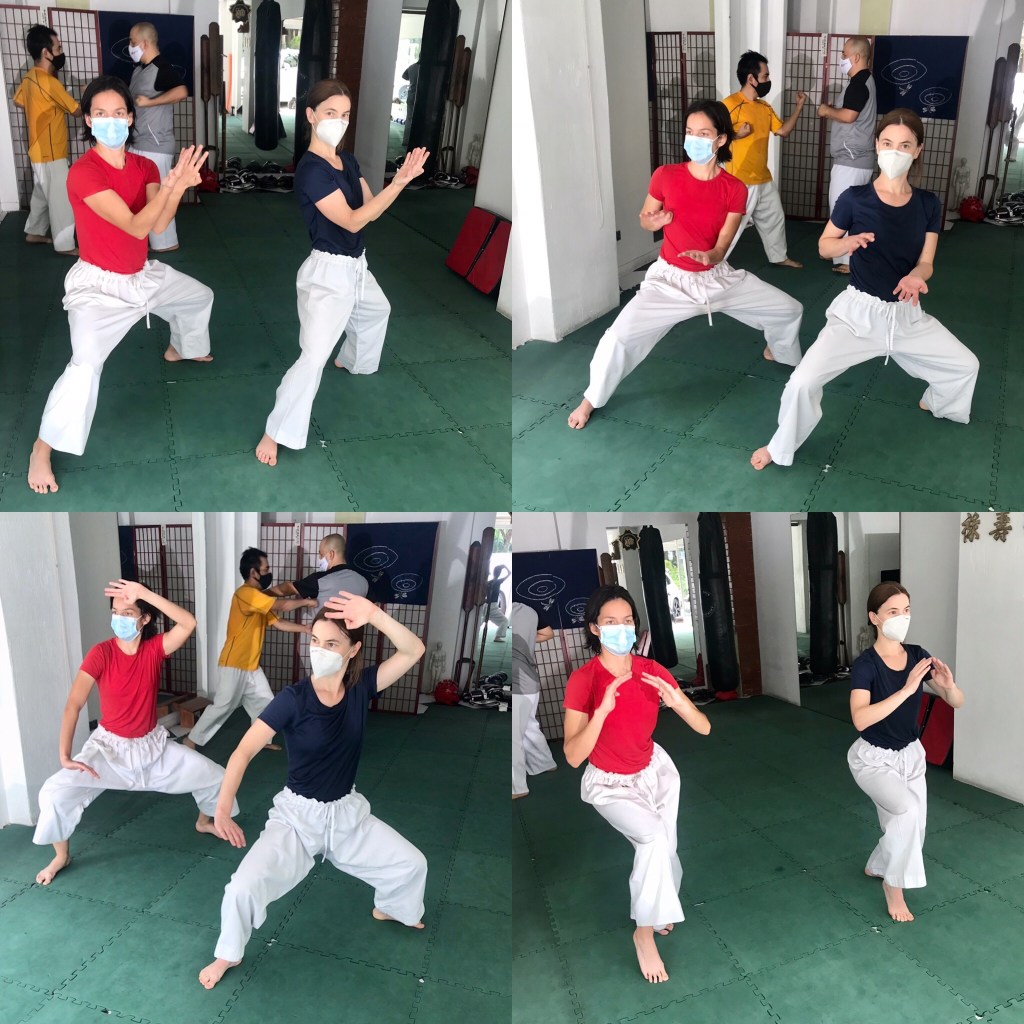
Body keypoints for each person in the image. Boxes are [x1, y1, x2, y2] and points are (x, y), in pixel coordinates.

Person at [198, 592, 428, 990]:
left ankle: (391, 907)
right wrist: (221, 809)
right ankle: (228, 953)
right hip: (297, 819)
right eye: (315, 641)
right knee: (242, 888)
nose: (319, 651)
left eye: (331, 643)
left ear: (353, 650)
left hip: (347, 814)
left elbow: (413, 650)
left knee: (412, 864)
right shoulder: (293, 699)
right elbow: (243, 752)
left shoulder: (361, 687)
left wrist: (374, 615)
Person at [751, 109, 980, 470]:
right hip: (857, 316)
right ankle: (780, 445)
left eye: (904, 145)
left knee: (966, 365)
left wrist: (916, 276)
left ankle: (937, 402)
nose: (895, 151)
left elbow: (927, 262)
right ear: (876, 145)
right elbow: (824, 246)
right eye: (887, 143)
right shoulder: (855, 198)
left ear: (918, 150)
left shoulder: (927, 203)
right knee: (802, 382)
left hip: (906, 315)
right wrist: (845, 244)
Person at [26, 75, 214, 496]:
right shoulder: (83, 173)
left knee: (199, 296)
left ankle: (182, 348)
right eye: (100, 113)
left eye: (118, 113)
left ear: (130, 118)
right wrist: (172, 186)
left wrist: (174, 188)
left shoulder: (145, 167)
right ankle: (43, 447)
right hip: (98, 287)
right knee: (84, 366)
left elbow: (159, 225)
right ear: (88, 120)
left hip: (141, 275)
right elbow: (134, 226)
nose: (110, 121)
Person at [567, 99, 803, 430]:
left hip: (716, 277)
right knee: (619, 337)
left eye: (703, 133)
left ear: (721, 139)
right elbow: (646, 218)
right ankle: (591, 399)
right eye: (690, 131)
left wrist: (712, 256)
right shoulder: (666, 175)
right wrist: (652, 221)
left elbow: (723, 243)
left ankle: (778, 350)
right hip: (670, 282)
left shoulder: (734, 188)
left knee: (789, 310)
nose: (693, 139)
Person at [255, 79, 430, 466]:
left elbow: (371, 207)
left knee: (377, 310)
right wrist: (400, 181)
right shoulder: (311, 171)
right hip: (327, 273)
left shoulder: (347, 161)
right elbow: (352, 220)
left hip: (356, 265)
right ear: (311, 115)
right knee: (313, 356)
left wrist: (396, 184)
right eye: (330, 113)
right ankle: (275, 431)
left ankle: (351, 359)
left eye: (345, 114)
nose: (339, 121)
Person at [33, 579, 240, 886]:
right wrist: (65, 756)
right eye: (116, 612)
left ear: (145, 619)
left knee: (216, 776)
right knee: (54, 793)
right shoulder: (101, 653)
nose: (119, 618)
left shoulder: (154, 650)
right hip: (108, 751)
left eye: (128, 613)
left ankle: (204, 822)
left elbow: (188, 623)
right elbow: (73, 705)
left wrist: (143, 594)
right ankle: (61, 856)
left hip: (151, 748)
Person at [562, 585, 711, 984]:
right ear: (595, 628)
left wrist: (679, 703)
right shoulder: (583, 680)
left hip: (653, 772)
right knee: (654, 841)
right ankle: (643, 934)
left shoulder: (652, 671)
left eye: (627, 621)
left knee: (667, 849)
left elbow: (704, 728)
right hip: (610, 783)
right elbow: (573, 756)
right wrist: (601, 712)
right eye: (610, 622)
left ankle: (659, 912)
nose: (621, 629)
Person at [848, 582, 964, 923]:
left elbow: (957, 702)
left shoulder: (916, 655)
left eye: (907, 610)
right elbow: (860, 719)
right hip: (873, 760)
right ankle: (893, 885)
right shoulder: (865, 665)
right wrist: (908, 688)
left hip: (911, 755)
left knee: (916, 824)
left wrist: (949, 687)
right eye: (893, 611)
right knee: (907, 812)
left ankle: (878, 864)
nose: (902, 617)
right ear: (875, 617)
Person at [184, 547, 315, 751]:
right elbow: (281, 606)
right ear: (254, 572)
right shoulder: (245, 594)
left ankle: (261, 741)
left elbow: (279, 623)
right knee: (223, 706)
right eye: (266, 569)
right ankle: (191, 740)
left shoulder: (259, 599)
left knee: (266, 703)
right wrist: (305, 601)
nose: (269, 573)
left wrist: (305, 629)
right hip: (234, 663)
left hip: (251, 666)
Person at [723, 50, 806, 269]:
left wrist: (799, 107)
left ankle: (779, 257)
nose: (768, 80)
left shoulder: (764, 107)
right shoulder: (729, 104)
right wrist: (735, 135)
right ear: (751, 78)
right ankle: (713, 263)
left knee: (775, 217)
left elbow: (783, 131)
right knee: (733, 226)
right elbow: (714, 137)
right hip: (739, 179)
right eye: (765, 76)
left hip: (763, 177)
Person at [13, 24, 81, 255]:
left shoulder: (29, 78)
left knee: (42, 192)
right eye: (58, 48)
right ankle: (65, 245)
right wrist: (88, 95)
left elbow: (19, 101)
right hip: (52, 151)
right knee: (61, 199)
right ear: (46, 52)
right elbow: (76, 111)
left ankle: (34, 231)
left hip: (36, 149)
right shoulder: (51, 83)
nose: (61, 52)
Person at [127, 21, 189, 253]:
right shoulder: (138, 70)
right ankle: (144, 238)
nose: (130, 46)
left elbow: (181, 91)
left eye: (132, 42)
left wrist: (151, 102)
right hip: (137, 142)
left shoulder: (162, 68)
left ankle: (165, 242)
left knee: (159, 196)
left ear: (144, 43)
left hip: (156, 145)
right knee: (142, 196)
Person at [819, 37, 877, 274]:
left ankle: (847, 259)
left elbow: (849, 116)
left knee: (842, 209)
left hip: (852, 159)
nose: (841, 58)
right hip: (857, 158)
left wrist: (827, 110)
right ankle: (845, 256)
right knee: (851, 208)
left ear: (856, 57)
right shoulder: (864, 81)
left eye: (844, 54)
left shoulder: (858, 83)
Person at [511, 602, 557, 799]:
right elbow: (548, 633)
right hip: (530, 680)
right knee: (528, 726)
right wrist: (528, 640)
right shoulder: (529, 609)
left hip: (518, 682)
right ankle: (544, 763)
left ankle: (516, 787)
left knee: (513, 735)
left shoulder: (512, 612)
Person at [266, 532, 369, 613]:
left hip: (324, 632)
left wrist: (262, 594)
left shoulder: (321, 580)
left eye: (321, 554)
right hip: (353, 633)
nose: (319, 558)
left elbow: (288, 589)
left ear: (331, 554)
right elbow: (371, 607)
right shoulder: (363, 580)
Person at [484, 564, 510, 641]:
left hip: (486, 605)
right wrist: (505, 566)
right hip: (492, 606)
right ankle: (497, 637)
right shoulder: (498, 581)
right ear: (499, 573)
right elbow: (509, 573)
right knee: (504, 621)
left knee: (482, 620)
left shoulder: (488, 582)